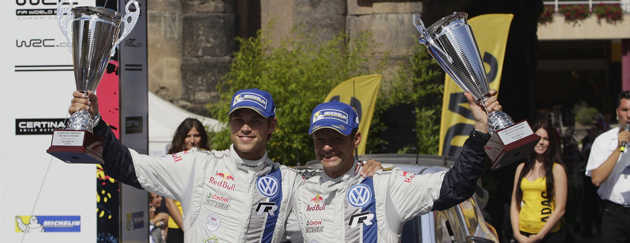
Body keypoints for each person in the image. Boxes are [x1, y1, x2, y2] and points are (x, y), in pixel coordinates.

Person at [70, 88, 305, 243]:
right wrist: (96, 123)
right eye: (238, 120)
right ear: (230, 123)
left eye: (255, 121)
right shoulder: (199, 164)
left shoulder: (288, 182)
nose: (245, 128)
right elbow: (128, 165)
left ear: (271, 125)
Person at [288, 89, 502, 242]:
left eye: (336, 139)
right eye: (320, 139)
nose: (327, 147)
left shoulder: (384, 184)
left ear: (356, 139)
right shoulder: (302, 192)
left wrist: (480, 130)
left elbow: (455, 186)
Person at [509, 118, 568, 243]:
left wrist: (540, 236)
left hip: (549, 235)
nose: (541, 142)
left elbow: (560, 209)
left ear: (551, 142)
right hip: (523, 234)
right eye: (538, 138)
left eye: (546, 139)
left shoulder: (557, 169)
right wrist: (517, 234)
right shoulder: (521, 168)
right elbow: (515, 203)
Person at [585, 90, 630, 243]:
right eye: (625, 110)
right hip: (613, 213)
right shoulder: (603, 141)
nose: (629, 115)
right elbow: (596, 179)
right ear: (617, 112)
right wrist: (618, 149)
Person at [164, 118, 208, 243]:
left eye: (196, 135)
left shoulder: (209, 158)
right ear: (181, 137)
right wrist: (187, 229)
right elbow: (169, 202)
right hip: (178, 228)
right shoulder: (172, 160)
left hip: (202, 227)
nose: (192, 141)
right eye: (188, 136)